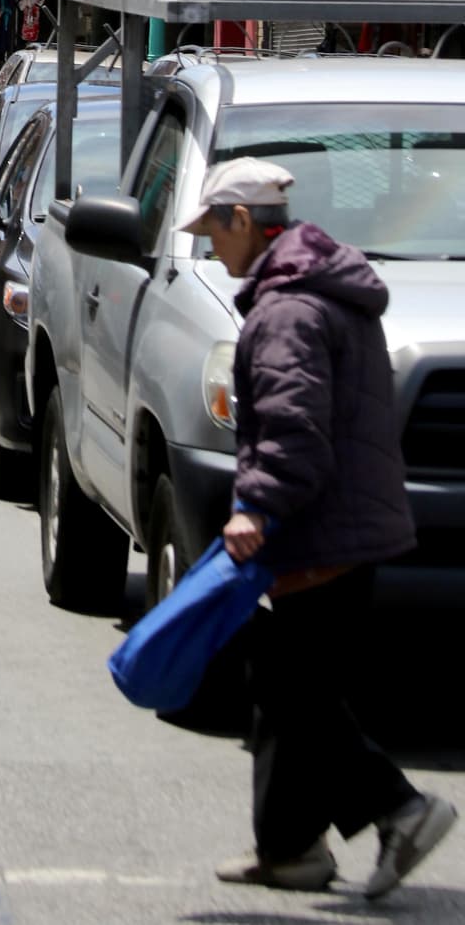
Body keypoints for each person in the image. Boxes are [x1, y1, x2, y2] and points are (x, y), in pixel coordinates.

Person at [178, 158, 458, 899]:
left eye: (214, 228)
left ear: (244, 221)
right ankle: (290, 848)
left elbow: (294, 433)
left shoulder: (287, 309)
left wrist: (254, 508)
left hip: (323, 532)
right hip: (343, 524)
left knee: (298, 692)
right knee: (287, 686)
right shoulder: (308, 290)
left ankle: (400, 808)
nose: (211, 245)